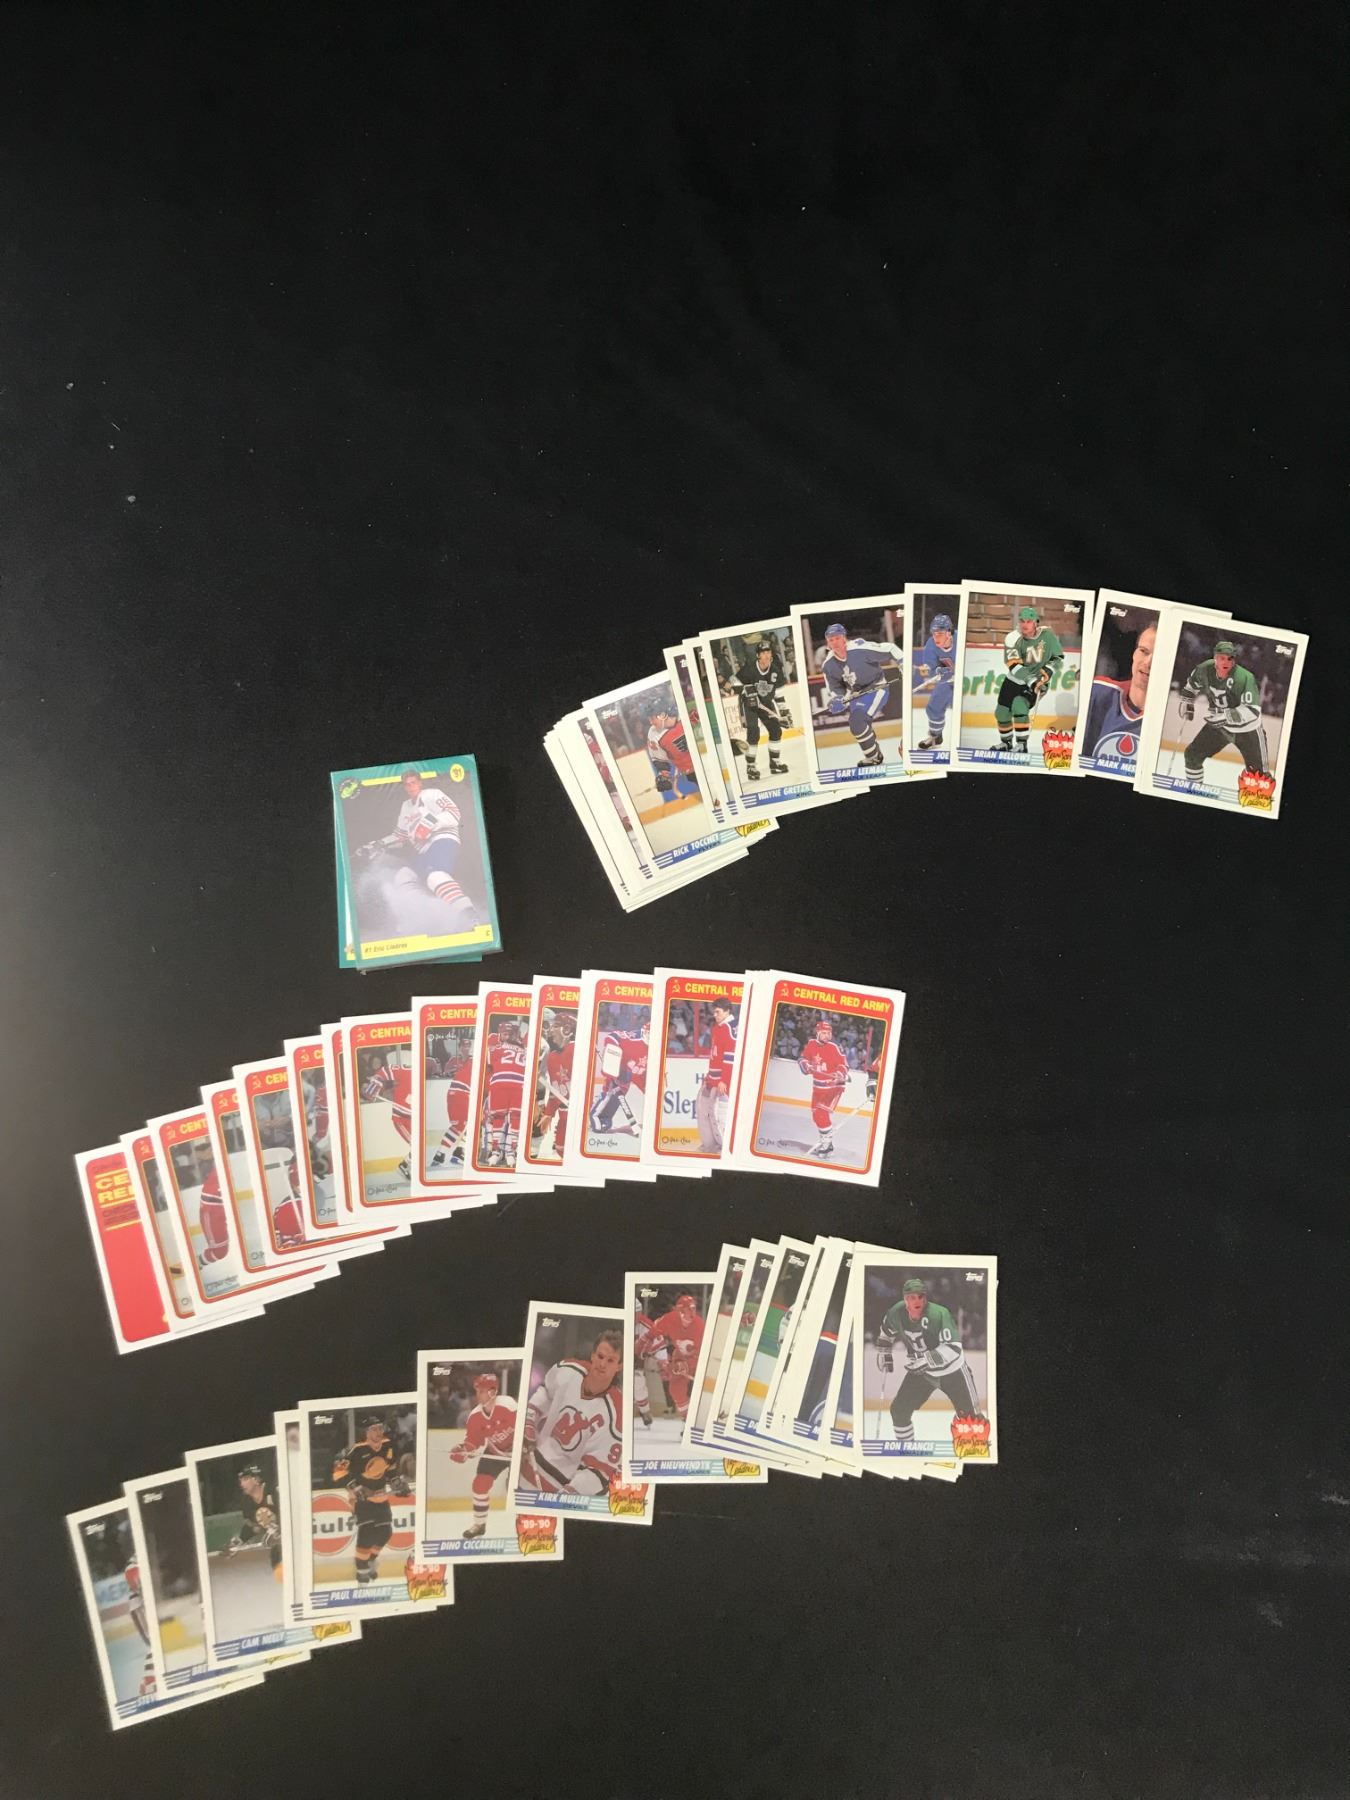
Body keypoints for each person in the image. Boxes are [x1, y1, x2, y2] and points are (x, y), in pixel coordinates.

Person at [353, 765, 479, 927]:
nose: (411, 786)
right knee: (404, 877)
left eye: (413, 782)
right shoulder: (406, 807)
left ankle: (468, 914)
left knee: (434, 875)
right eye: (407, 784)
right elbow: (400, 836)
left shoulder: (431, 794)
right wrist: (376, 845)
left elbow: (453, 812)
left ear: (420, 783)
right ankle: (424, 916)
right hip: (424, 850)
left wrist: (429, 823)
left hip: (442, 839)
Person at [876, 1278, 983, 1447]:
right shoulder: (896, 1313)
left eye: (921, 1296)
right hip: (923, 1372)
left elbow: (953, 1348)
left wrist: (926, 1359)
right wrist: (884, 1350)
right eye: (912, 1297)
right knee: (899, 1410)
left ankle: (972, 1453)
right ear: (905, 1299)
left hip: (953, 1371)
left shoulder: (939, 1314)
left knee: (972, 1420)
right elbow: (886, 1332)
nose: (917, 1301)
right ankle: (907, 1450)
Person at [520, 1329, 625, 1497]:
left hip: (561, 1485)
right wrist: (529, 1419)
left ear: (619, 1366)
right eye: (600, 1356)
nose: (602, 1364)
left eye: (610, 1360)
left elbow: (600, 1470)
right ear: (592, 1355)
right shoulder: (569, 1370)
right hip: (530, 1464)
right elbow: (546, 1392)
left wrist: (571, 1492)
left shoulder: (617, 1414)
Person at [1177, 637, 1269, 786]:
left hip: (1248, 730)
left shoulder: (1244, 677)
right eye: (1222, 658)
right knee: (1192, 755)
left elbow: (1253, 711)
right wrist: (1187, 700)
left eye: (1230, 658)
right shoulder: (1204, 669)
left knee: (1260, 777)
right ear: (1215, 658)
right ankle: (1194, 791)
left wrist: (1226, 716)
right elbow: (1191, 686)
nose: (1226, 662)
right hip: (1220, 726)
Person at [332, 1414, 410, 1587]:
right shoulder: (356, 1449)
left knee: (385, 1533)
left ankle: (370, 1559)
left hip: (380, 1497)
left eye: (380, 1428)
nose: (378, 1432)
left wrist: (396, 1482)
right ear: (367, 1432)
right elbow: (338, 1472)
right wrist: (356, 1488)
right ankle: (361, 1571)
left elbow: (390, 1468)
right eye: (374, 1429)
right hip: (361, 1499)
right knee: (367, 1533)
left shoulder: (388, 1445)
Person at [819, 621, 898, 770]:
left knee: (858, 719)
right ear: (827, 643)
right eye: (831, 640)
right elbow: (835, 687)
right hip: (857, 694)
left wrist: (904, 661)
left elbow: (890, 649)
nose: (834, 642)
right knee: (856, 724)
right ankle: (874, 755)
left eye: (837, 638)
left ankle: (873, 757)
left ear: (844, 638)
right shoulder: (828, 665)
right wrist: (838, 698)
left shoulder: (860, 648)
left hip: (877, 688)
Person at [448, 1373, 517, 1539]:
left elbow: (525, 1426)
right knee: (480, 1484)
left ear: (492, 1392)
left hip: (518, 1452)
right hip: (495, 1452)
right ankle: (479, 1524)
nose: (477, 1395)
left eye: (481, 1391)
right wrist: (464, 1450)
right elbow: (473, 1441)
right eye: (477, 1391)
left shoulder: (508, 1405)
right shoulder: (475, 1416)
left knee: (517, 1488)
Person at [1084, 619, 1155, 770]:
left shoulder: (1165, 719)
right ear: (1134, 654)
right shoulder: (1097, 692)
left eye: (1159, 657)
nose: (1148, 663)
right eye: (1143, 651)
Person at [996, 604, 1063, 755]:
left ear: (1036, 623)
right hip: (1013, 681)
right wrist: (1032, 681)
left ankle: (1021, 745)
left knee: (1019, 707)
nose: (1024, 625)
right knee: (1001, 712)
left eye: (1028, 621)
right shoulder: (1012, 638)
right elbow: (1014, 666)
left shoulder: (1048, 636)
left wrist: (1048, 671)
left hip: (1037, 683)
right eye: (1022, 621)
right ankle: (1006, 743)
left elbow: (1058, 658)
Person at [732, 640, 791, 783]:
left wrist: (784, 713)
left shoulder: (775, 671)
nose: (766, 655)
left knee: (776, 730)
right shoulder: (750, 668)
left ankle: (775, 763)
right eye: (763, 653)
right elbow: (734, 682)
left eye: (768, 652)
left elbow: (778, 694)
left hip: (765, 704)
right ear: (758, 655)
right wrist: (746, 690)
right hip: (749, 705)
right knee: (753, 732)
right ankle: (751, 766)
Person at [797, 1019, 849, 1159]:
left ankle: (826, 1145)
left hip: (833, 1087)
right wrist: (806, 1065)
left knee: (821, 1114)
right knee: (816, 1116)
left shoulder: (833, 1047)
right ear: (818, 1033)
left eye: (829, 1033)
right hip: (818, 1087)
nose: (827, 1036)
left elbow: (843, 1065)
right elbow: (802, 1059)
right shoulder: (811, 1044)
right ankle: (827, 1144)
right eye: (824, 1033)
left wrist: (840, 1073)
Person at [479, 1018, 527, 1168]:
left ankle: (496, 1151)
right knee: (515, 1118)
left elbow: (487, 1065)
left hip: (499, 1082)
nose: (506, 1036)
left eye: (507, 1034)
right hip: (519, 1083)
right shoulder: (525, 1049)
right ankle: (509, 1152)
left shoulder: (494, 1048)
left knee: (498, 1118)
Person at [588, 1019, 648, 1138]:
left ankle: (604, 1117)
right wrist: (613, 1064)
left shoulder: (656, 1050)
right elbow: (612, 1037)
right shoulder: (635, 1038)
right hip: (620, 1074)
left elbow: (641, 1076)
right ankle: (597, 1111)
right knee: (610, 1095)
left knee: (607, 1118)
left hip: (630, 1077)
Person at [650, 1293, 704, 1421]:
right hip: (680, 1357)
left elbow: (703, 1353)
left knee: (702, 1393)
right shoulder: (670, 1319)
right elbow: (654, 1331)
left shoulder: (700, 1325)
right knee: (675, 1389)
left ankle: (700, 1419)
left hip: (699, 1360)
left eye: (693, 1308)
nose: (692, 1313)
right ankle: (688, 1420)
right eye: (688, 1309)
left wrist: (686, 1365)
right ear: (679, 1311)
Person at [362, 1055, 414, 1181]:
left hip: (413, 1119)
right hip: (401, 1119)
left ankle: (404, 1165)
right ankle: (404, 1166)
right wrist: (376, 1082)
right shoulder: (409, 1070)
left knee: (419, 1145)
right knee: (418, 1144)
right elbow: (385, 1070)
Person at [695, 996, 737, 1153]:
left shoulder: (730, 1028)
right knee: (703, 1110)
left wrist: (724, 1080)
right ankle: (709, 1145)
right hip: (712, 1079)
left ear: (727, 1011)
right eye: (714, 1012)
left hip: (722, 1083)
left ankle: (725, 1148)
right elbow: (715, 1057)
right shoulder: (718, 1027)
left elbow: (730, 1058)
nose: (715, 1015)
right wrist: (708, 1077)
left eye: (718, 1012)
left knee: (719, 1116)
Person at [912, 610, 957, 751]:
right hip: (947, 680)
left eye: (940, 633)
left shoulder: (961, 640)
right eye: (934, 633)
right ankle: (935, 736)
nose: (936, 637)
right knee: (934, 706)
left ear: (949, 633)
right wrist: (938, 671)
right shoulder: (931, 645)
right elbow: (931, 669)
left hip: (965, 681)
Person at [229, 1463, 283, 1578]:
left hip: (297, 1532)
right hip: (280, 1543)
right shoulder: (246, 1502)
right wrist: (239, 1541)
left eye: (245, 1479)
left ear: (256, 1479)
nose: (241, 1484)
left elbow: (292, 1510)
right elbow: (254, 1527)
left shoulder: (275, 1491)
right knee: (277, 1562)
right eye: (240, 1480)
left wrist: (279, 1529)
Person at [533, 1015, 574, 1161]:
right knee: (560, 1150)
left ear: (567, 1029)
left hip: (576, 1119)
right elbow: (555, 1091)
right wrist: (549, 1113)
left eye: (555, 1026)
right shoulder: (552, 1057)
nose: (551, 1030)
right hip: (563, 1118)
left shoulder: (577, 1051)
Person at [429, 1041, 474, 1171]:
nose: (466, 1048)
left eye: (468, 1046)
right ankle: (457, 1153)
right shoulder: (469, 1061)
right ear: (459, 1047)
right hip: (462, 1094)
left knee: (460, 1125)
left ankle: (443, 1153)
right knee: (470, 1124)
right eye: (464, 1046)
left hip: (456, 1093)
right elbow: (445, 1072)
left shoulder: (470, 1061)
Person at [646, 707, 699, 801]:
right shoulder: (653, 733)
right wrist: (663, 774)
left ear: (662, 715)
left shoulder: (684, 714)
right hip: (692, 772)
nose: (651, 722)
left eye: (652, 718)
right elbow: (659, 758)